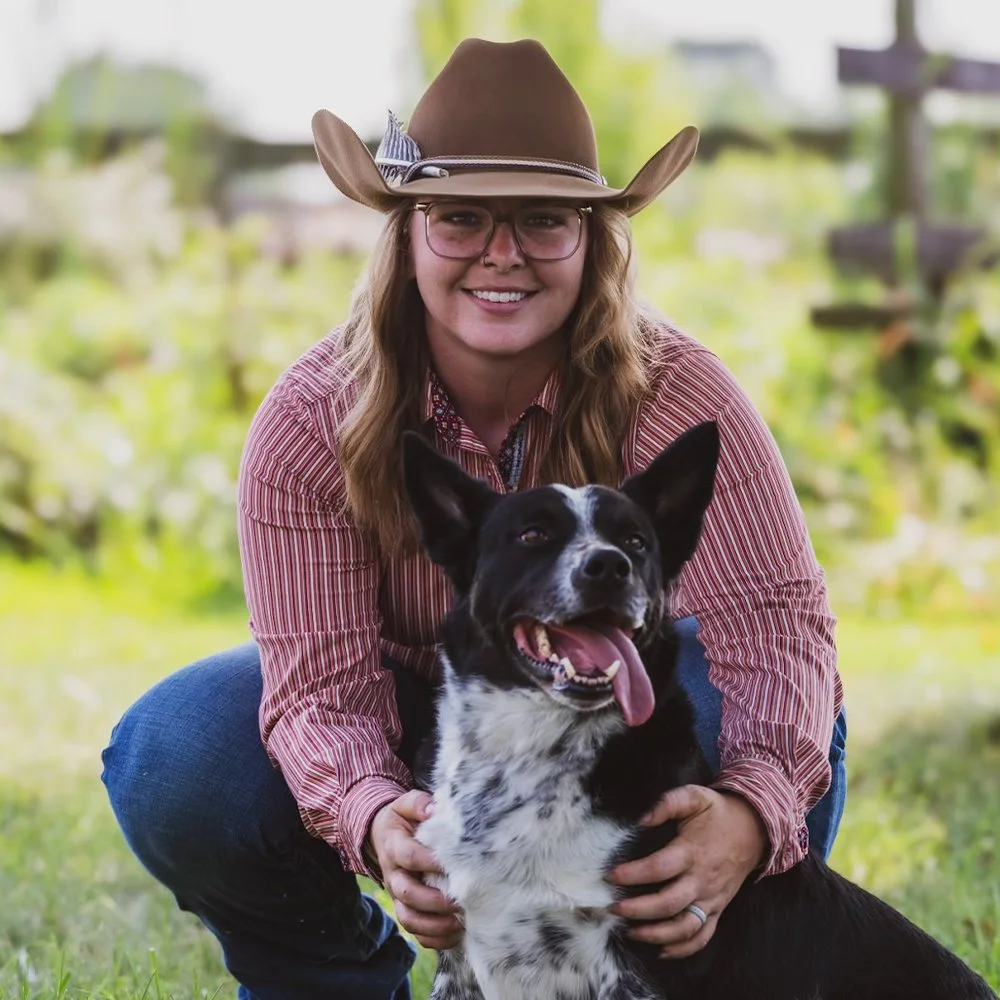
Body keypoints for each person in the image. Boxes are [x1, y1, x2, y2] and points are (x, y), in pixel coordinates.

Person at [101, 37, 847, 1000]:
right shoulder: (311, 419)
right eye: (459, 218)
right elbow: (319, 686)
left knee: (698, 695)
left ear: (592, 240)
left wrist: (750, 808)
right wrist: (376, 815)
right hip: (431, 716)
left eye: (543, 219)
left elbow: (776, 625)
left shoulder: (677, 390)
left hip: (636, 719)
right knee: (181, 751)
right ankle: (333, 982)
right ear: (406, 236)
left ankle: (677, 963)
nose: (503, 254)